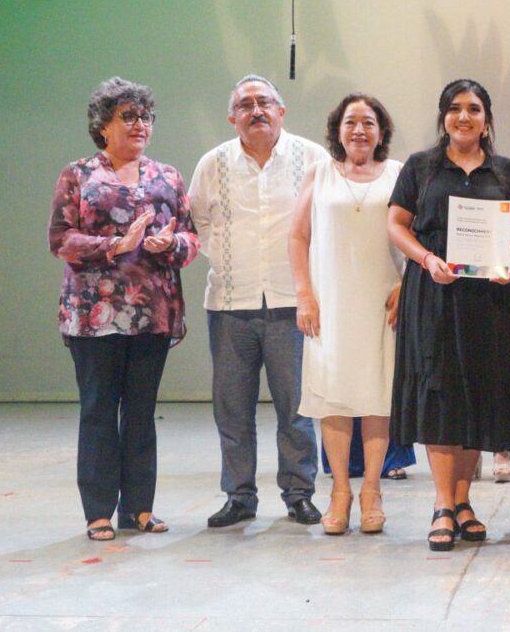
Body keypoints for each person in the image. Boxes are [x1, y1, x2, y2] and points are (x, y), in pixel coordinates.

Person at [49, 77, 200, 540]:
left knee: (140, 411)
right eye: (128, 116)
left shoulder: (167, 176)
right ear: (103, 125)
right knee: (98, 410)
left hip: (152, 313)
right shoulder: (79, 175)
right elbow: (61, 240)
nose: (140, 125)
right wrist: (116, 244)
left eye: (146, 116)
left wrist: (169, 242)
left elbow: (191, 237)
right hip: (94, 316)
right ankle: (98, 511)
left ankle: (139, 507)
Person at [387, 79, 510, 551]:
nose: (463, 117)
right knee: (439, 393)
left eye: (473, 108)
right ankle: (442, 504)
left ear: (487, 116)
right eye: (454, 108)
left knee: (477, 394)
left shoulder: (505, 171)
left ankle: (465, 501)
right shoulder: (421, 167)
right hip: (433, 295)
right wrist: (427, 261)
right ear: (442, 116)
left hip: (487, 299)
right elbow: (396, 224)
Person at [190, 75, 323, 528]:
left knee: (297, 408)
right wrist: (229, 257)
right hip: (230, 303)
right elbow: (198, 221)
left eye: (264, 101)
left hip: (292, 304)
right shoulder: (213, 163)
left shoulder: (312, 158)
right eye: (245, 105)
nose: (256, 110)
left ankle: (299, 494)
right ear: (233, 118)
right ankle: (239, 496)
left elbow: (326, 220)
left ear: (281, 110)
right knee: (232, 409)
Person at [289, 92, 404, 535]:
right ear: (338, 130)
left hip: (382, 302)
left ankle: (372, 489)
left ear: (381, 132)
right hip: (328, 303)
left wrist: (407, 282)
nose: (359, 130)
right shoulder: (319, 174)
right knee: (333, 396)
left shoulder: (399, 174)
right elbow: (297, 238)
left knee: (378, 396)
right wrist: (304, 293)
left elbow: (420, 233)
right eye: (351, 122)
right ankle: (339, 490)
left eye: (369, 122)